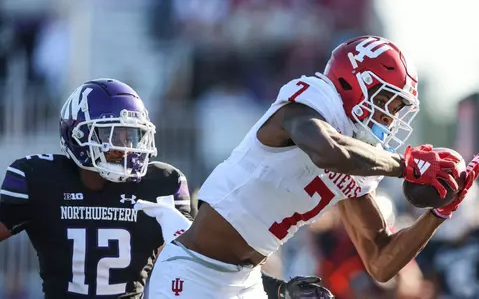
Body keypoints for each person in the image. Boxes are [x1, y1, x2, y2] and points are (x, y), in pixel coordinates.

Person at [147, 35, 479, 298]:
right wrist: (406, 165)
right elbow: (326, 150)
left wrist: (437, 215)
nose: (389, 117)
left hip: (247, 282)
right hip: (193, 271)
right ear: (353, 81)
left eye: (396, 108)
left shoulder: (363, 153)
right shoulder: (312, 100)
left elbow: (381, 262)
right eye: (384, 100)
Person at [0, 78, 330, 299]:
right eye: (114, 137)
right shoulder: (37, 178)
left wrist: (279, 290)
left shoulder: (162, 183)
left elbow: (202, 264)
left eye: (133, 137)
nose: (127, 150)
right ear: (77, 134)